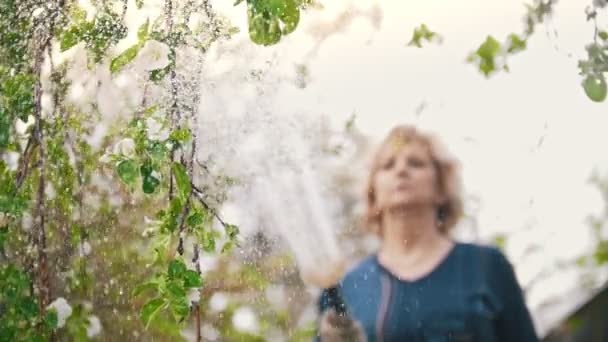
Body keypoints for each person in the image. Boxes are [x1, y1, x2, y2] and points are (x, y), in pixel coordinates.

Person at [316, 125, 538, 342]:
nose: (401, 170)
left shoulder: (486, 266)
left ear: (441, 188)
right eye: (388, 165)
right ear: (373, 194)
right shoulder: (348, 288)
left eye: (416, 163)